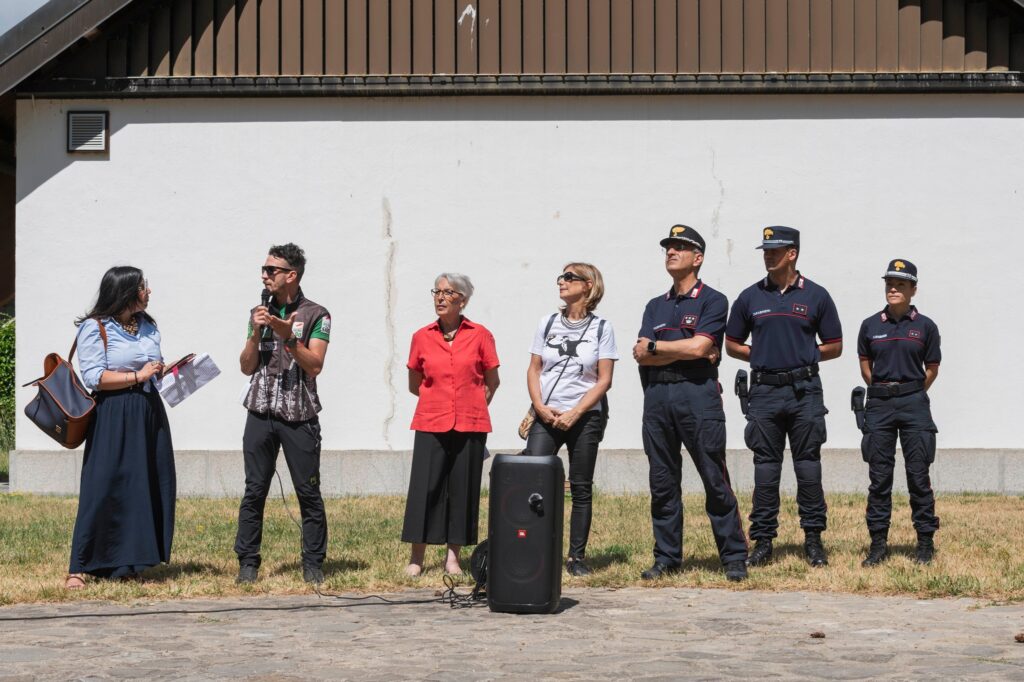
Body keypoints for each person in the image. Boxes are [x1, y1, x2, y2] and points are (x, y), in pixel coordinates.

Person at [633, 225, 749, 582]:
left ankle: (733, 557)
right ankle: (667, 557)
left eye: (680, 247)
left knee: (714, 478)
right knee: (662, 481)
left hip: (697, 395)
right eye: (668, 247)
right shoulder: (655, 305)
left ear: (697, 258)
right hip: (657, 398)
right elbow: (641, 354)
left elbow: (700, 348)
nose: (671, 252)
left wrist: (659, 348)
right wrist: (682, 349)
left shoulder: (713, 300)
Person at [725, 226, 842, 568]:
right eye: (765, 250)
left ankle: (813, 540)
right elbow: (731, 344)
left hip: (804, 391)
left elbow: (835, 345)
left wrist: (802, 356)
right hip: (764, 392)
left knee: (808, 466)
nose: (768, 255)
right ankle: (763, 541)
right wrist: (763, 356)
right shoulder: (750, 297)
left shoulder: (816, 295)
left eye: (775, 250)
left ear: (792, 253)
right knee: (765, 469)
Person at [66, 266, 172, 589]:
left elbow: (151, 364)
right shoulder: (95, 327)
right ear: (126, 292)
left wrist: (162, 370)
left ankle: (129, 565)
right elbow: (95, 377)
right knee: (102, 486)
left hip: (148, 410)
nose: (148, 292)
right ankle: (79, 567)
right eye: (143, 286)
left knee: (141, 486)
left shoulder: (147, 326)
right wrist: (138, 375)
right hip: (113, 413)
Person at [236, 243, 331, 585]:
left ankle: (313, 563)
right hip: (260, 411)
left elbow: (315, 365)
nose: (264, 275)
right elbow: (247, 366)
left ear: (291, 275)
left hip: (299, 414)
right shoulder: (258, 312)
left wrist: (289, 337)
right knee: (254, 490)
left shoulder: (317, 314)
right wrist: (256, 331)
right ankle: (247, 562)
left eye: (271, 270)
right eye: (263, 269)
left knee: (308, 491)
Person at [402, 273, 500, 576]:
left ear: (463, 300)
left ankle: (453, 558)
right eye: (437, 292)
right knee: (425, 489)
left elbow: (492, 381)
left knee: (462, 489)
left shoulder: (481, 335)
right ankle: (416, 558)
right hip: (431, 420)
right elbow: (415, 383)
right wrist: (441, 402)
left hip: (471, 423)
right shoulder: (421, 336)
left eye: (448, 292)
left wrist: (471, 406)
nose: (440, 297)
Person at [525, 262, 618, 577]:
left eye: (569, 277)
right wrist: (539, 406)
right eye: (561, 277)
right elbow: (534, 369)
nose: (561, 282)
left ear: (588, 285)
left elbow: (604, 380)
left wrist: (576, 412)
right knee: (532, 479)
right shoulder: (548, 322)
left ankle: (576, 557)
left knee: (580, 487)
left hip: (585, 417)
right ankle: (533, 549)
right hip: (547, 414)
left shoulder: (602, 328)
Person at [857, 259, 941, 566]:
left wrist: (910, 391)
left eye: (901, 284)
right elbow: (866, 366)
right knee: (879, 478)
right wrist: (884, 391)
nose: (893, 289)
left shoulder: (925, 327)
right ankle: (878, 544)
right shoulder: (870, 325)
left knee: (918, 476)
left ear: (913, 290)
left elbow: (931, 369)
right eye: (889, 284)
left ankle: (925, 544)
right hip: (879, 405)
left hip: (914, 404)